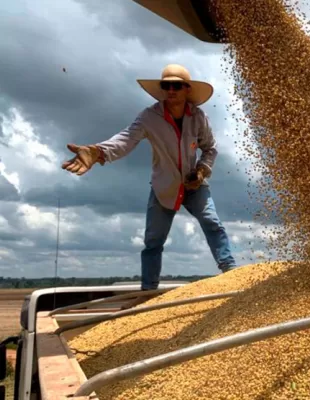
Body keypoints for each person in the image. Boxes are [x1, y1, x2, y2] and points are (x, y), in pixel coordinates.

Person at [61, 64, 237, 291]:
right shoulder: (149, 117)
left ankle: (231, 271)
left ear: (186, 89)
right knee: (153, 242)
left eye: (176, 85)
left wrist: (202, 170)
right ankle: (148, 291)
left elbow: (210, 148)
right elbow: (126, 139)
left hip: (194, 184)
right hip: (164, 185)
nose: (171, 90)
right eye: (166, 86)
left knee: (213, 223)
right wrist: (99, 152)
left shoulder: (198, 117)